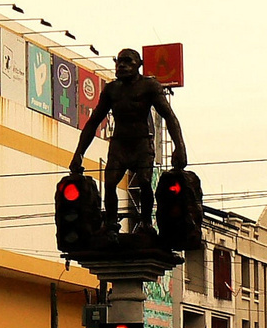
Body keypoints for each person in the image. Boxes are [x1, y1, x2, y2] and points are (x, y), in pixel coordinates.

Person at [68, 47, 188, 232]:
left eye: (127, 61)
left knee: (145, 183)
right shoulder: (112, 89)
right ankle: (111, 223)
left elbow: (169, 116)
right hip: (120, 143)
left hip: (141, 142)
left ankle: (146, 222)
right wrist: (79, 154)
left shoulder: (149, 86)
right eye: (119, 61)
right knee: (109, 183)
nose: (121, 65)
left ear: (139, 65)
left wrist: (179, 147)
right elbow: (93, 122)